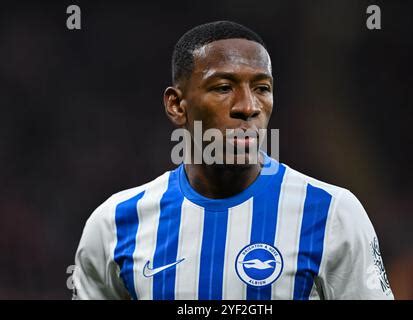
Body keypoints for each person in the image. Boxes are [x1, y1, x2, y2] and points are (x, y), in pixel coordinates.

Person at [72, 20, 394, 300]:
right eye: (224, 87)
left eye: (262, 88)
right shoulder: (114, 223)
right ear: (176, 105)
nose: (248, 106)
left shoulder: (332, 213)